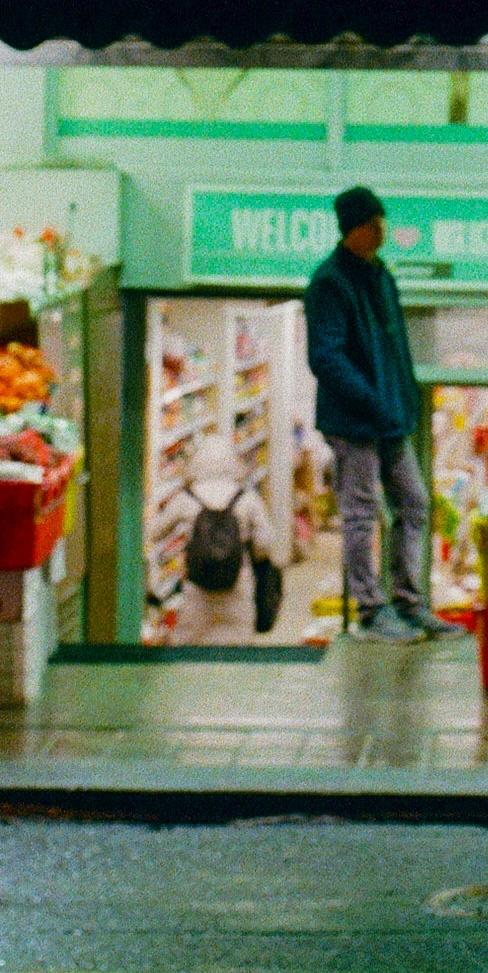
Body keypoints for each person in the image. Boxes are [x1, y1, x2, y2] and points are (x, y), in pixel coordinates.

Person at [305, 184, 445, 641]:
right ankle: (371, 609)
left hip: (391, 417)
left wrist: (401, 401)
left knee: (415, 503)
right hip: (355, 423)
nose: (383, 232)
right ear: (356, 229)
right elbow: (325, 357)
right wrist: (372, 399)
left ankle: (410, 603)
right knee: (362, 513)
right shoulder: (329, 283)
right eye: (375, 224)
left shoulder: (381, 276)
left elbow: (395, 346)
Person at [164, 434, 282, 640]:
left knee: (191, 648)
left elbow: (155, 531)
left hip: (197, 588)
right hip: (238, 584)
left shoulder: (186, 498)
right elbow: (266, 542)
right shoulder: (247, 498)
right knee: (238, 651)